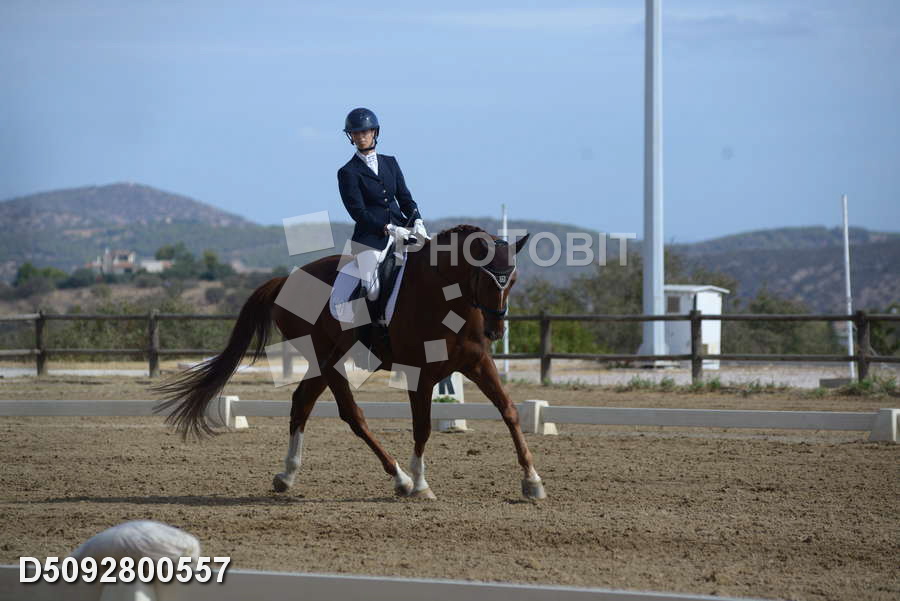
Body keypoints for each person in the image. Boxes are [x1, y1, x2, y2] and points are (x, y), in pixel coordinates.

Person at [337, 107, 429, 304]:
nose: (361, 136)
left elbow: (405, 198)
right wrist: (388, 228)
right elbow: (358, 212)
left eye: (365, 131)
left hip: (403, 229)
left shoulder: (390, 163)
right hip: (370, 238)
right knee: (373, 290)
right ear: (351, 136)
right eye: (355, 133)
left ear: (374, 132)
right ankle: (364, 321)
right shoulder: (348, 172)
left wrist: (418, 220)